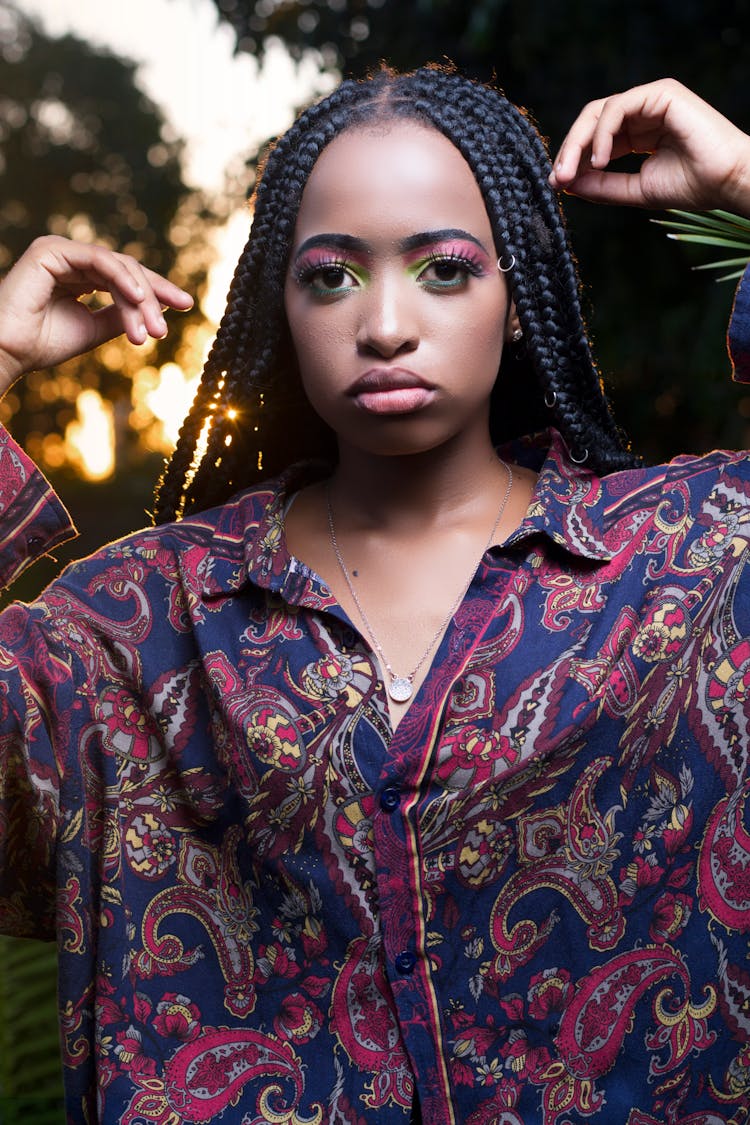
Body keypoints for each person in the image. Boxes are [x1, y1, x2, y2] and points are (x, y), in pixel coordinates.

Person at [1, 68, 749, 1125]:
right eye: (332, 277)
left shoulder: (694, 559)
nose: (387, 324)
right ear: (282, 308)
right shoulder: (139, 625)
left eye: (444, 270)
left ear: (521, 297)